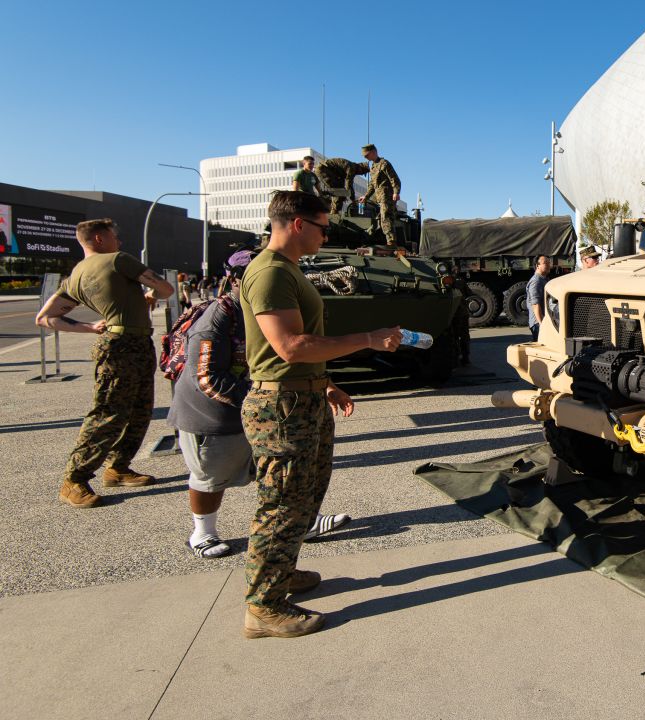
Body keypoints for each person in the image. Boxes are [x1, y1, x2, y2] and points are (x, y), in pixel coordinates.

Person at [239, 191, 401, 638]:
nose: (326, 235)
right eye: (322, 227)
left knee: (304, 500)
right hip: (282, 408)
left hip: (302, 399)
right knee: (281, 506)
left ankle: (279, 572)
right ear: (296, 224)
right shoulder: (270, 272)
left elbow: (295, 347)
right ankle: (263, 607)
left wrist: (325, 384)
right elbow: (288, 346)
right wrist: (368, 337)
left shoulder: (287, 271)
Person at [171, 250, 352, 558]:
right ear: (235, 280)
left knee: (278, 475)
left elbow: (291, 357)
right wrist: (263, 400)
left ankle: (299, 524)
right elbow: (207, 378)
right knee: (210, 475)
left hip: (264, 409)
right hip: (214, 414)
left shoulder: (272, 309)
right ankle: (202, 532)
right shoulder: (217, 318)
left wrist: (326, 386)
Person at [36, 218, 175, 508]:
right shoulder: (118, 260)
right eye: (114, 235)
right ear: (99, 239)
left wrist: (88, 328)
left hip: (123, 343)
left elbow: (46, 318)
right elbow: (166, 289)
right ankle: (74, 479)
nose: (119, 241)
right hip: (125, 347)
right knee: (109, 413)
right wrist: (151, 294)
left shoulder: (76, 274)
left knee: (137, 411)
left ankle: (117, 468)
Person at [357, 144, 401, 246]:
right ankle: (375, 239)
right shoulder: (373, 167)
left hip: (387, 196)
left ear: (373, 152)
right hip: (379, 198)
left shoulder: (384, 164)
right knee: (380, 219)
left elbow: (394, 179)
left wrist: (396, 192)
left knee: (386, 217)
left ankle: (391, 242)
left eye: (366, 155)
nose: (365, 158)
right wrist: (366, 196)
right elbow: (372, 185)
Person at [526, 254, 550, 339]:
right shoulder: (536, 281)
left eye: (548, 262)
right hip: (538, 323)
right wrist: (542, 324)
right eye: (545, 263)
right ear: (537, 266)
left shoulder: (543, 279)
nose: (548, 265)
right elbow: (535, 304)